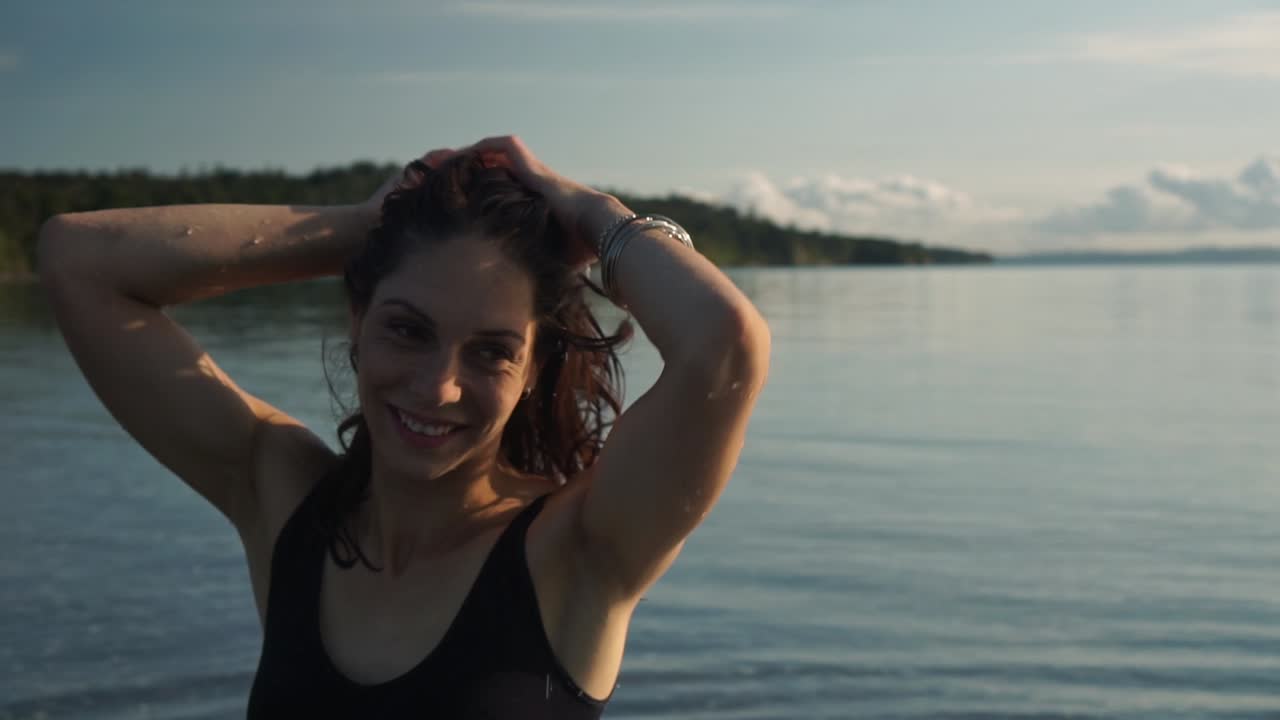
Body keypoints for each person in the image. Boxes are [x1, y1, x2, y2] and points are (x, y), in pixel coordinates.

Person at [37, 135, 772, 717]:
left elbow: (725, 343)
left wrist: (587, 210)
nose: (438, 386)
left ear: (536, 367)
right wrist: (368, 225)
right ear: (358, 320)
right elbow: (77, 259)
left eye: (490, 350)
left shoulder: (577, 549)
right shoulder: (286, 501)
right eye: (407, 330)